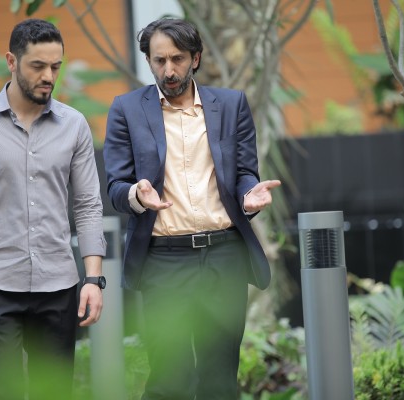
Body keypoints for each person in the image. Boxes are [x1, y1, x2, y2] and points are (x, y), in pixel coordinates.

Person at [103, 17, 281, 400]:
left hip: (224, 257)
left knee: (219, 381)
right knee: (170, 381)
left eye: (178, 59)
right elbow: (115, 187)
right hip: (164, 262)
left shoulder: (230, 105)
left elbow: (245, 173)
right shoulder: (126, 109)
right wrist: (137, 194)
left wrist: (248, 197)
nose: (168, 70)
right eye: (159, 60)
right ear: (148, 61)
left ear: (195, 58)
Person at [0, 18, 107, 400]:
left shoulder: (74, 125)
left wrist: (93, 279)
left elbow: (87, 205)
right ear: (11, 62)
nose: (48, 76)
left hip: (57, 285)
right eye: (38, 66)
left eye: (55, 67)